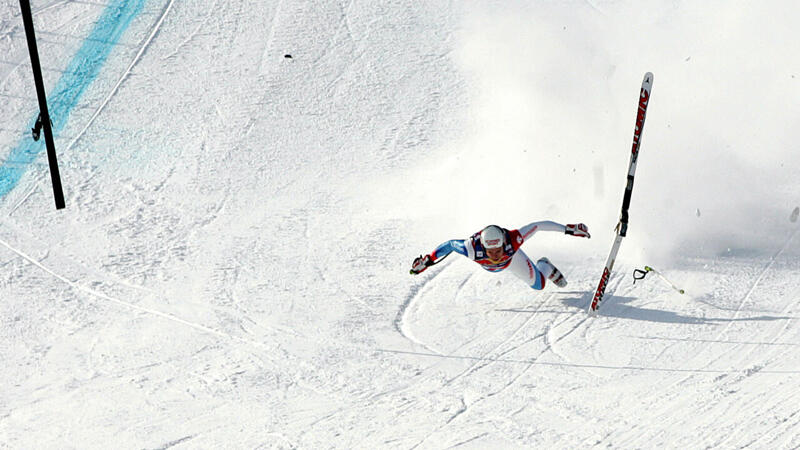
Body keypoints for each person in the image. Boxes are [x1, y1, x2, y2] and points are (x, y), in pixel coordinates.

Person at [410, 221, 590, 289]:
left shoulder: (514, 239)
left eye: (498, 250)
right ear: (483, 247)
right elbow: (449, 245)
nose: (495, 255)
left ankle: (545, 265)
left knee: (539, 285)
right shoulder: (471, 248)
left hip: (512, 260)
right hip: (503, 262)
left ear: (504, 243)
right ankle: (543, 266)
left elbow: (539, 225)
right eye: (491, 252)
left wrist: (569, 230)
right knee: (538, 286)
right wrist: (428, 261)